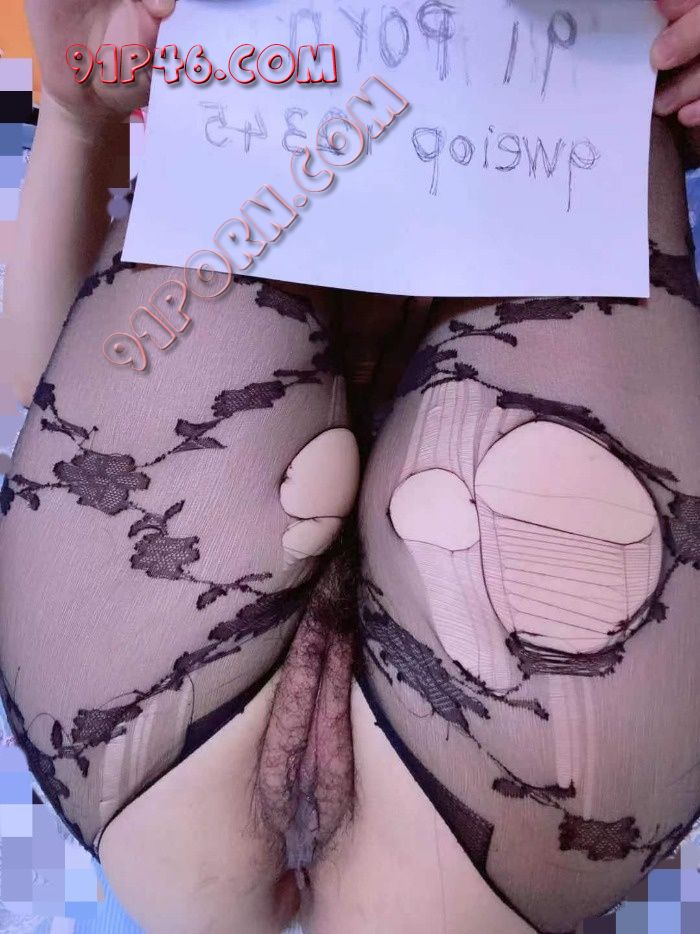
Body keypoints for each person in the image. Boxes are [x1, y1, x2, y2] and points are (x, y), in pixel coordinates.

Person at [1, 1, 700, 931]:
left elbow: (38, 388)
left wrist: (72, 119)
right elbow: (34, 386)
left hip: (138, 731)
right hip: (511, 765)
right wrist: (76, 111)